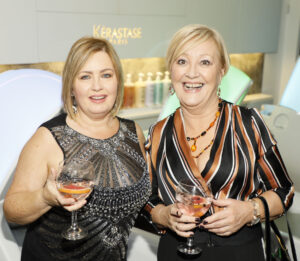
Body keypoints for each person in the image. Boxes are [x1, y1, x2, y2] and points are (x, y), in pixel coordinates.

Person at [144, 24, 294, 260]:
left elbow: (284, 191)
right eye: (182, 61)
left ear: (221, 71)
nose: (191, 73)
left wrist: (249, 211)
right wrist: (165, 216)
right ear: (171, 70)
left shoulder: (249, 124)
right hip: (176, 252)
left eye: (205, 62)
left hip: (239, 252)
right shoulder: (157, 133)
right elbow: (148, 200)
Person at [3, 36, 151, 261]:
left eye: (106, 75)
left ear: (117, 81)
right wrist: (45, 197)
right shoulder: (48, 137)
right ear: (72, 86)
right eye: (85, 76)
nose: (97, 86)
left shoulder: (134, 132)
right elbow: (12, 210)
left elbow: (142, 197)